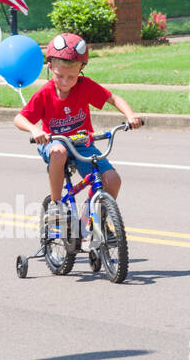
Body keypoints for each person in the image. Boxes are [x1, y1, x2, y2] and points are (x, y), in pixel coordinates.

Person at [13, 33, 143, 229]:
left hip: (82, 144)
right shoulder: (45, 94)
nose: (65, 81)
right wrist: (34, 129)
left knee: (112, 180)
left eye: (71, 77)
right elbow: (19, 118)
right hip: (54, 142)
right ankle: (56, 206)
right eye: (59, 76)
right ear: (50, 68)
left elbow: (114, 99)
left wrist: (130, 116)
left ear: (81, 70)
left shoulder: (85, 87)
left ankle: (95, 218)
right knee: (59, 152)